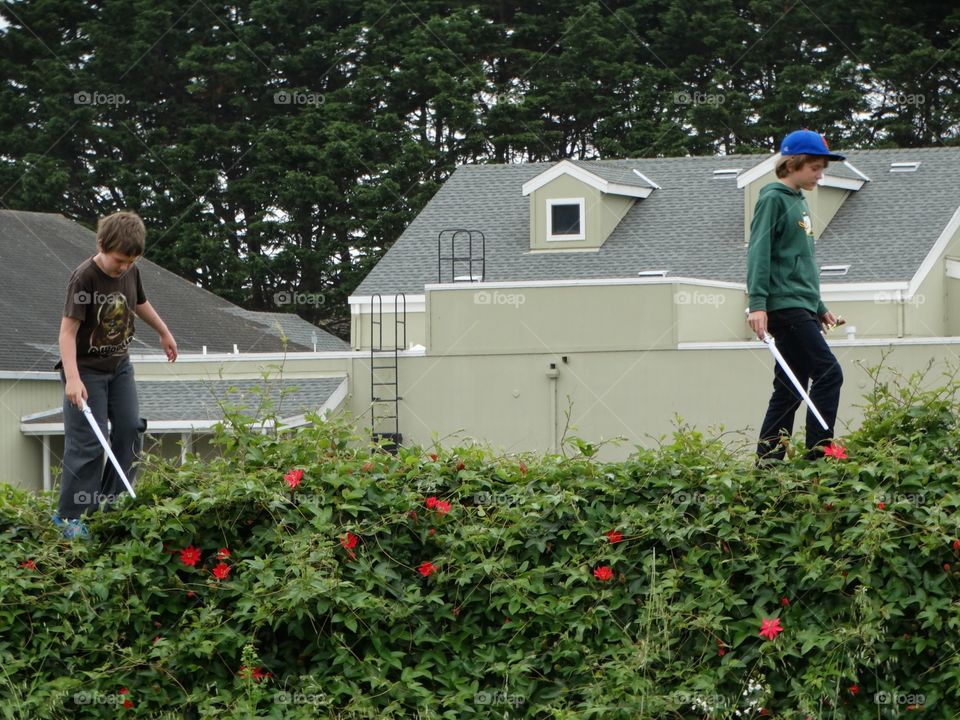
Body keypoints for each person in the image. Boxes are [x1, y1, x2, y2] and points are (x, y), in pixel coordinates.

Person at [53, 211, 178, 538]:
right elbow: (67, 334)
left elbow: (139, 302)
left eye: (130, 260)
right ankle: (70, 518)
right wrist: (73, 378)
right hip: (86, 372)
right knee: (88, 445)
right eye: (119, 260)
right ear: (101, 244)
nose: (123, 266)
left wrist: (164, 332)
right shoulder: (84, 278)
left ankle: (111, 503)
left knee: (128, 431)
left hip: (119, 367)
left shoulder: (131, 270)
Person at [746, 129, 844, 463]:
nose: (820, 175)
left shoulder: (799, 202)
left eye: (822, 169)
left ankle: (768, 462)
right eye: (814, 168)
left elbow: (801, 262)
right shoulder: (773, 198)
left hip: (801, 305)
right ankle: (819, 454)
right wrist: (757, 304)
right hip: (784, 306)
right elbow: (760, 251)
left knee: (790, 386)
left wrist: (818, 306)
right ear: (793, 163)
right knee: (830, 373)